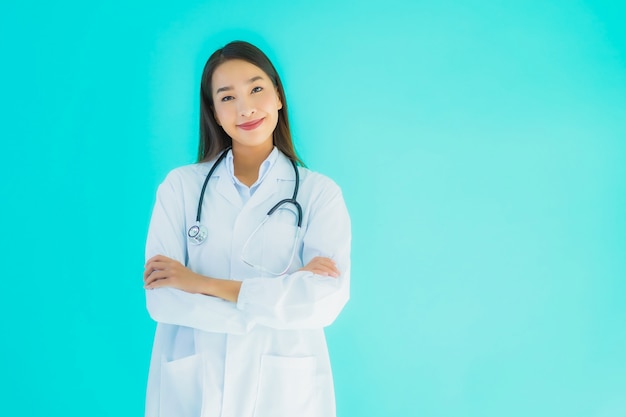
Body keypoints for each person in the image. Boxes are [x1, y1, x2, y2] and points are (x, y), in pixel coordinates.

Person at [142, 40, 351, 417]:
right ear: (214, 113)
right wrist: (278, 299)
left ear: (278, 96)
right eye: (227, 97)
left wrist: (200, 283)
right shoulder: (181, 187)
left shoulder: (320, 193)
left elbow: (324, 302)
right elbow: (162, 299)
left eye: (256, 89)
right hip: (194, 386)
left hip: (284, 391)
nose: (245, 107)